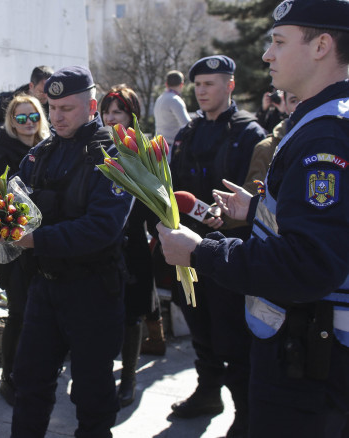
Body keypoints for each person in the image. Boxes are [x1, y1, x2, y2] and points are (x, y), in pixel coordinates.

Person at [158, 1, 349, 436]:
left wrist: (200, 251)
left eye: (279, 42)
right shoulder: (321, 119)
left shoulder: (326, 133)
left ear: (321, 45)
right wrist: (257, 210)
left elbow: (310, 263)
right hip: (304, 349)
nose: (267, 55)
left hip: (306, 359)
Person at [10, 66, 133, 438]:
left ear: (92, 105)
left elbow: (102, 227)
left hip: (92, 291)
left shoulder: (116, 156)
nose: (57, 117)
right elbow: (18, 206)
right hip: (44, 288)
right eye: (53, 107)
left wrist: (36, 240)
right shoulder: (41, 153)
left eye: (67, 109)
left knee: (93, 397)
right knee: (29, 386)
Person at [168, 54, 267, 437]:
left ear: (230, 86)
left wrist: (226, 219)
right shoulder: (188, 133)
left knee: (234, 338)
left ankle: (245, 415)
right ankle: (209, 391)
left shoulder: (249, 133)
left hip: (230, 251)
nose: (202, 91)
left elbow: (257, 200)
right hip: (187, 250)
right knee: (200, 328)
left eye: (210, 83)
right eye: (198, 84)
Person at [0, 94, 50, 406]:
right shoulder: (1, 150)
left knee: (45, 314)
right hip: (15, 250)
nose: (28, 122)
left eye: (33, 116)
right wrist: (8, 220)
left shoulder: (50, 146)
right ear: (11, 121)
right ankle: (10, 376)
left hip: (47, 245)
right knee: (18, 314)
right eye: (21, 117)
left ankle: (40, 370)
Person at [99, 85, 162, 407]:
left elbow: (157, 207)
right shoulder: (96, 149)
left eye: (118, 112)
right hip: (100, 246)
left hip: (134, 244)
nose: (111, 119)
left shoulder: (145, 153)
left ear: (131, 115)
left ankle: (129, 378)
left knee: (133, 315)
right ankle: (102, 372)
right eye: (107, 112)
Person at [242, 90, 299, 194]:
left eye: (307, 99)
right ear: (285, 105)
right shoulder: (267, 149)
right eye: (294, 101)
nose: (302, 106)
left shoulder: (332, 139)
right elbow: (253, 191)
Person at [0, 65, 53, 135]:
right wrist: (10, 129)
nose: (46, 96)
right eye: (41, 92)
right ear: (31, 86)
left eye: (49, 92)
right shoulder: (8, 101)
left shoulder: (54, 103)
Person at [153, 70, 192, 150]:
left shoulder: (159, 99)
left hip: (157, 146)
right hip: (170, 147)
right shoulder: (175, 100)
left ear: (166, 84)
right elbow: (186, 125)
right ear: (181, 85)